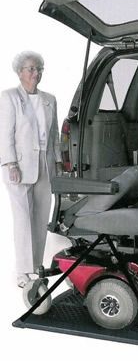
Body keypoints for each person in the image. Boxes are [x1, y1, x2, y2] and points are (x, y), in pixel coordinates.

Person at [0, 51, 63, 288]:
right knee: (23, 218)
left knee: (39, 218)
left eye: (39, 69)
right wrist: (10, 163)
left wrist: (57, 162)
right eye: (31, 69)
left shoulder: (49, 99)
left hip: (45, 166)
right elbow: (4, 133)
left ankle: (36, 265)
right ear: (20, 72)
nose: (36, 74)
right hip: (19, 167)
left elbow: (55, 134)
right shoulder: (9, 97)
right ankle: (22, 271)